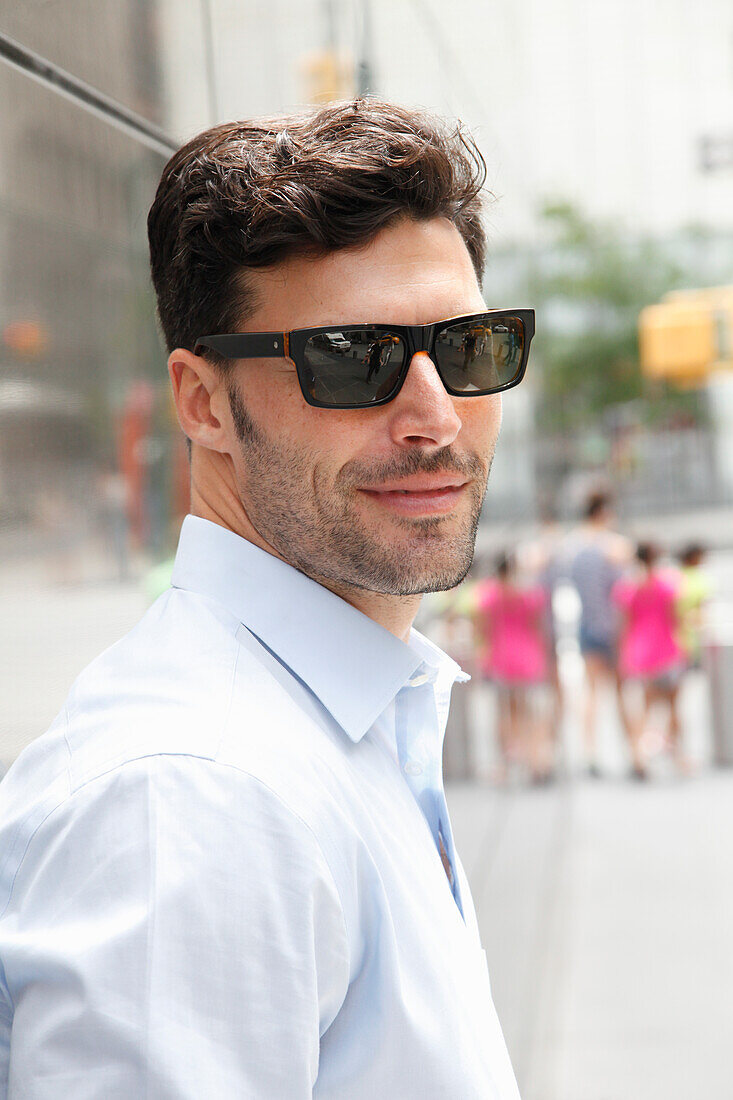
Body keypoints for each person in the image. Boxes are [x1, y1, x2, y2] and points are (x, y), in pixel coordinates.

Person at [0, 100, 534, 1098]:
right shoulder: (194, 798)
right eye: (352, 357)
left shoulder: (342, 722)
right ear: (203, 402)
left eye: (469, 346)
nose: (433, 416)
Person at [567, 490, 633, 775]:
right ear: (603, 512)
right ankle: (634, 754)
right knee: (622, 694)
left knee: (591, 693)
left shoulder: (573, 545)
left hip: (587, 626)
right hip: (616, 629)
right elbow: (626, 592)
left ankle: (590, 753)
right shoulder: (616, 546)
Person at [475, 553, 553, 783]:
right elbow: (538, 627)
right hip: (529, 657)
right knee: (531, 711)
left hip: (501, 657)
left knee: (504, 712)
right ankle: (536, 760)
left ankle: (507, 762)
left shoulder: (488, 595)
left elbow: (482, 631)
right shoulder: (531, 594)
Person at [613, 542, 687, 778]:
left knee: (644, 707)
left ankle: (638, 756)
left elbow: (623, 626)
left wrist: (623, 655)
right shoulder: (668, 584)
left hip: (641, 655)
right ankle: (678, 756)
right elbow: (677, 619)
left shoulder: (628, 588)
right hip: (667, 652)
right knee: (673, 706)